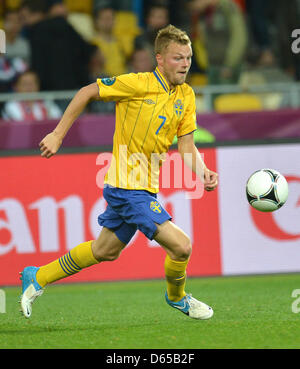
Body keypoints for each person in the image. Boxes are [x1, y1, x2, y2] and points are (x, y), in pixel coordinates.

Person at [19, 24, 218, 320]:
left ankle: (38, 275)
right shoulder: (136, 83)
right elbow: (87, 92)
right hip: (127, 187)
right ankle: (178, 298)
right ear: (159, 59)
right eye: (177, 58)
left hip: (145, 187)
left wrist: (203, 171)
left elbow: (186, 144)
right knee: (182, 247)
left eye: (188, 57)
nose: (185, 64)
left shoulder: (186, 95)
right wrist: (58, 134)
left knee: (105, 250)